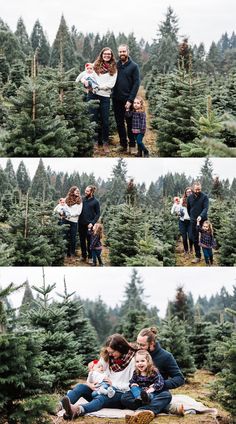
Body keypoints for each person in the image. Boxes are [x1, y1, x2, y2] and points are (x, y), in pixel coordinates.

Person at [60, 334, 136, 420]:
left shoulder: (132, 361)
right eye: (109, 352)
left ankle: (77, 410)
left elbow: (132, 384)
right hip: (101, 389)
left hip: (118, 394)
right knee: (80, 387)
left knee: (101, 398)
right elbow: (95, 372)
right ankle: (59, 406)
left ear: (120, 348)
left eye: (113, 352)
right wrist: (92, 383)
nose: (110, 355)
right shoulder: (107, 356)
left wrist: (112, 384)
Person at [121, 327, 185, 421]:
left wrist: (159, 385)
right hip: (140, 392)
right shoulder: (138, 353)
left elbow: (180, 378)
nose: (138, 347)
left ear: (152, 344)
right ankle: (166, 407)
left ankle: (141, 412)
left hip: (157, 391)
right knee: (124, 398)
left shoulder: (166, 357)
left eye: (142, 345)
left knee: (166, 396)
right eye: (137, 343)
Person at [87, 47, 117, 153]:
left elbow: (111, 84)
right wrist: (89, 84)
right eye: (105, 54)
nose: (107, 55)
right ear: (102, 54)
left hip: (105, 96)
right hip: (93, 95)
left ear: (111, 56)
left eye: (109, 54)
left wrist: (99, 87)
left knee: (105, 120)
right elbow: (90, 77)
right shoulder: (95, 65)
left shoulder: (114, 68)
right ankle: (94, 142)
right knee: (93, 119)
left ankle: (105, 142)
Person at [112, 44, 140, 153]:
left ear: (128, 52)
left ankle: (132, 145)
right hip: (116, 99)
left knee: (130, 123)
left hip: (128, 100)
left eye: (124, 51)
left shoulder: (134, 66)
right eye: (120, 52)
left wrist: (130, 100)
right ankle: (123, 144)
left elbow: (136, 83)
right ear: (118, 53)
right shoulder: (115, 65)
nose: (122, 54)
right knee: (119, 123)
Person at [187, 182, 209, 264]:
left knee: (205, 238)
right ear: (193, 188)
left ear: (201, 188)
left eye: (199, 189)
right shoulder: (189, 198)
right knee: (195, 238)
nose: (197, 191)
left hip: (203, 220)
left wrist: (201, 216)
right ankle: (198, 256)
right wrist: (192, 217)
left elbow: (206, 208)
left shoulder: (205, 197)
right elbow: (189, 209)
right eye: (196, 189)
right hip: (193, 221)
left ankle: (207, 255)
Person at [78, 185, 100, 264]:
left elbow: (98, 214)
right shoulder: (82, 200)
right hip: (81, 224)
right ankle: (83, 256)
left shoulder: (96, 202)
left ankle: (90, 257)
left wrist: (92, 223)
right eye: (85, 190)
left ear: (91, 192)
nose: (85, 192)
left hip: (89, 225)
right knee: (82, 241)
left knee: (89, 241)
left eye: (87, 191)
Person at [64, 186, 83, 263]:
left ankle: (72, 254)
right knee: (65, 237)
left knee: (73, 238)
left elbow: (78, 212)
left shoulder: (80, 201)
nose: (78, 192)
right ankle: (66, 253)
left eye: (78, 191)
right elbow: (64, 208)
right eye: (76, 190)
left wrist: (70, 214)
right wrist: (66, 214)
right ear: (72, 191)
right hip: (65, 221)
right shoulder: (66, 199)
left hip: (74, 222)